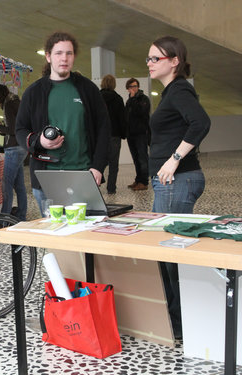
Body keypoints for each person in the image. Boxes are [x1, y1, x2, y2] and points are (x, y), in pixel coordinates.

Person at [147, 35, 211, 339]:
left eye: (155, 58)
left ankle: (182, 325)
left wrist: (173, 159)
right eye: (148, 59)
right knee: (169, 255)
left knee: (171, 257)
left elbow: (201, 122)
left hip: (177, 181)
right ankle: (177, 322)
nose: (149, 63)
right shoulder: (171, 92)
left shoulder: (180, 89)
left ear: (174, 61)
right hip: (173, 183)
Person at [16, 31, 110, 215]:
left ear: (74, 57)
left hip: (83, 175)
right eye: (58, 53)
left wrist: (98, 166)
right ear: (48, 56)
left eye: (69, 53)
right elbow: (20, 129)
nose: (64, 58)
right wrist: (39, 141)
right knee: (54, 238)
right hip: (46, 179)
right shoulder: (34, 92)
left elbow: (104, 130)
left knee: (85, 236)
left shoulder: (87, 89)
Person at [0, 84, 27, 221]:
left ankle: (4, 218)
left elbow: (13, 129)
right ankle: (20, 216)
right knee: (19, 185)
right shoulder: (16, 101)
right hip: (22, 146)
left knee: (7, 185)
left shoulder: (9, 104)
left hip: (14, 148)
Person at [100, 74, 126, 195]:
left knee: (99, 162)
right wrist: (123, 133)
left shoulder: (97, 97)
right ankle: (111, 188)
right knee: (113, 164)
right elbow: (122, 118)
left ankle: (95, 184)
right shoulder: (118, 99)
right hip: (114, 134)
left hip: (100, 135)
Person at [125, 77, 151, 191]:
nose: (133, 89)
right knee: (135, 158)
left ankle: (144, 182)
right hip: (131, 134)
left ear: (138, 87)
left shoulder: (143, 99)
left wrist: (134, 99)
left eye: (135, 86)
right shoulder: (129, 101)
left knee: (142, 158)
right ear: (128, 88)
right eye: (131, 87)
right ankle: (138, 179)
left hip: (141, 133)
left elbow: (141, 113)